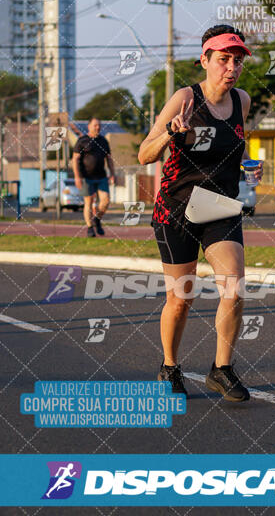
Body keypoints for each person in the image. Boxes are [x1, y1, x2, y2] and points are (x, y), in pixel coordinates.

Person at [138, 25, 263, 402]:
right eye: (224, 59)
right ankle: (170, 367)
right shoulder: (184, 98)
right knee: (181, 297)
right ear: (205, 60)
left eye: (237, 60)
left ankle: (221, 369)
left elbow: (237, 143)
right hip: (175, 208)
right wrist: (170, 135)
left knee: (235, 284)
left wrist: (248, 163)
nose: (232, 67)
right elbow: (145, 154)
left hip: (218, 207)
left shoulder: (241, 100)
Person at [72, 117, 115, 237]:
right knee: (89, 202)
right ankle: (90, 228)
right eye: (95, 125)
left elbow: (109, 159)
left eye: (99, 125)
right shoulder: (82, 140)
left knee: (105, 201)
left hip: (101, 176)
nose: (98, 127)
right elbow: (75, 159)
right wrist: (77, 177)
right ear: (89, 126)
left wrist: (112, 174)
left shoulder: (103, 141)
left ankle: (97, 219)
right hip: (86, 177)